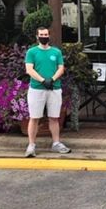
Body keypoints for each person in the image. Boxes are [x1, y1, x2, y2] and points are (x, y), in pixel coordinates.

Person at [24, 27, 71, 157]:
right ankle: (31, 145)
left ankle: (56, 143)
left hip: (54, 88)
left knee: (54, 117)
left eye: (45, 34)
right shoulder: (32, 52)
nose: (43, 36)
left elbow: (61, 68)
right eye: (41, 34)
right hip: (36, 89)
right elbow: (29, 69)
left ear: (49, 36)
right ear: (37, 36)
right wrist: (43, 80)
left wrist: (52, 79)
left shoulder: (56, 52)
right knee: (34, 118)